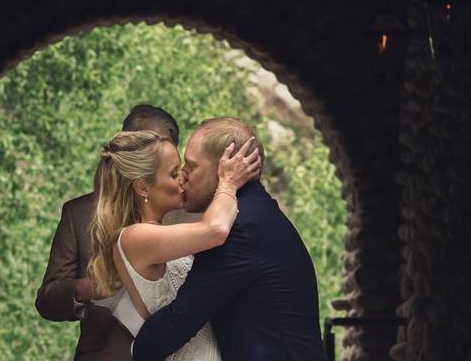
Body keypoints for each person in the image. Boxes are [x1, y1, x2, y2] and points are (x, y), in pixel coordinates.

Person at [132, 117, 327, 361]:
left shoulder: (239, 229)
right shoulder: (258, 213)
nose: (183, 175)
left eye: (191, 166)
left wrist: (134, 349)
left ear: (224, 169)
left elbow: (181, 318)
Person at [87, 129, 261, 361]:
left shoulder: (165, 229)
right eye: (173, 173)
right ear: (143, 188)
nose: (183, 178)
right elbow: (216, 230)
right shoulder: (134, 238)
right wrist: (228, 183)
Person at [35, 105, 180, 361]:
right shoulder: (79, 213)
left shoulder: (188, 213)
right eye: (138, 144)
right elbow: (47, 300)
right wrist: (86, 289)